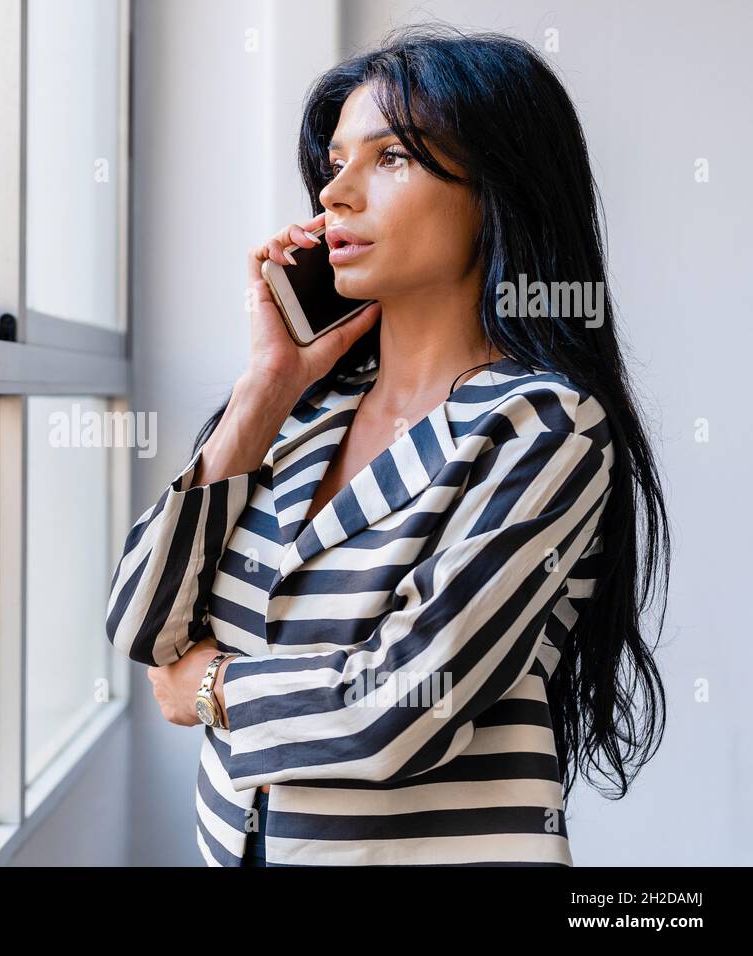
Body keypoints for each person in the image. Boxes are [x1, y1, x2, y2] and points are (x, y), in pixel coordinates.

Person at [105, 26, 669, 867]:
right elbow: (144, 627)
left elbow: (402, 706)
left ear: (499, 191)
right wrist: (265, 390)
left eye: (391, 157)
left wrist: (217, 688)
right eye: (334, 162)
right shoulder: (301, 412)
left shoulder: (544, 426)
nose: (336, 193)